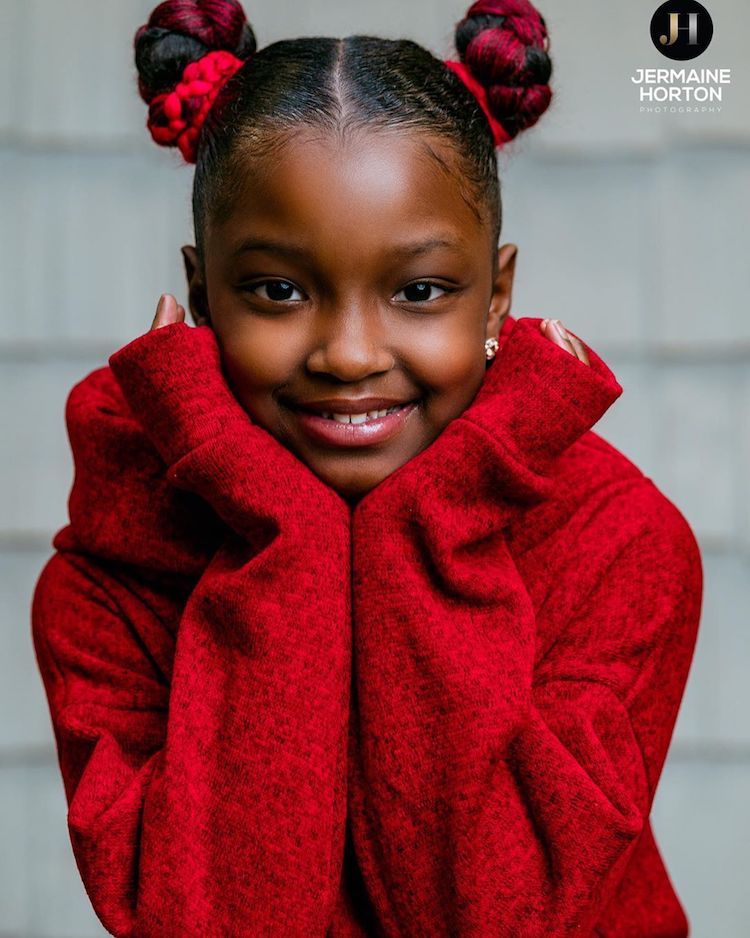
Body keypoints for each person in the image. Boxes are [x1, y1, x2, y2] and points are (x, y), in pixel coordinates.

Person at [30, 0, 704, 935]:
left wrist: (431, 524)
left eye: (419, 291)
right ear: (200, 295)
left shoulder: (619, 546)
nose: (349, 354)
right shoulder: (108, 583)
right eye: (278, 290)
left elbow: (491, 917)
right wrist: (288, 535)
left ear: (496, 297)